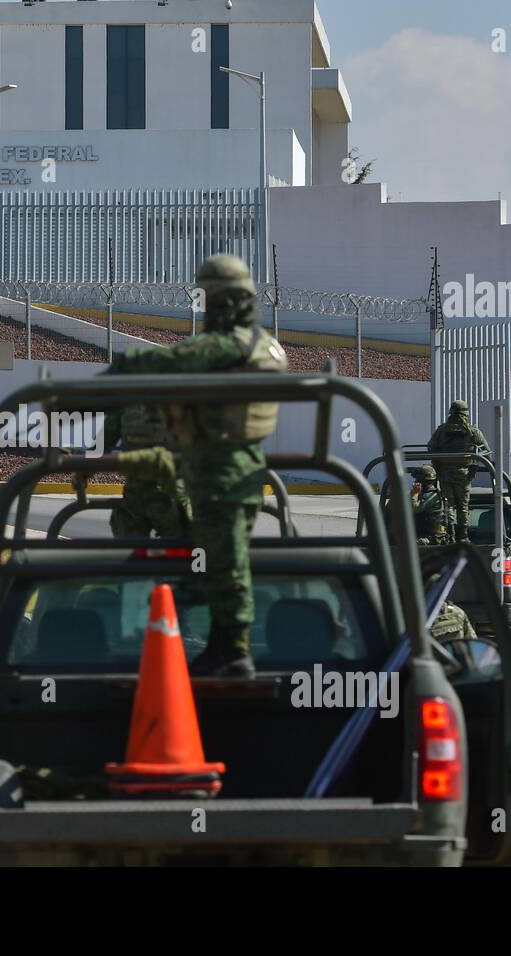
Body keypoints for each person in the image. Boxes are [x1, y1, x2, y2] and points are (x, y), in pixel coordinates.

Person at [106, 253, 287, 678]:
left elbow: (177, 359)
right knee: (215, 561)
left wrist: (128, 365)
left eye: (210, 298)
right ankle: (222, 644)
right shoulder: (261, 344)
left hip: (221, 474)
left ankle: (232, 651)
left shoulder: (232, 344)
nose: (207, 307)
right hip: (223, 473)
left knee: (224, 564)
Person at [97, 404, 191, 539]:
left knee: (132, 552)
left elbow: (101, 445)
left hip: (147, 495)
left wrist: (82, 474)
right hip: (159, 495)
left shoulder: (127, 403)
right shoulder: (181, 400)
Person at [427, 399, 491, 542]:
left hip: (444, 474)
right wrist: (474, 465)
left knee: (448, 505)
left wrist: (439, 461)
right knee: (463, 506)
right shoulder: (473, 432)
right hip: (464, 475)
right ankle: (463, 536)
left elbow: (430, 448)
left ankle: (450, 535)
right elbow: (487, 452)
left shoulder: (441, 431)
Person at [410, 464, 449, 545]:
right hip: (426, 535)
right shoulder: (427, 494)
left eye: (417, 479)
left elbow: (415, 508)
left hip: (431, 538)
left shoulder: (431, 495)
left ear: (422, 480)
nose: (415, 481)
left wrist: (414, 494)